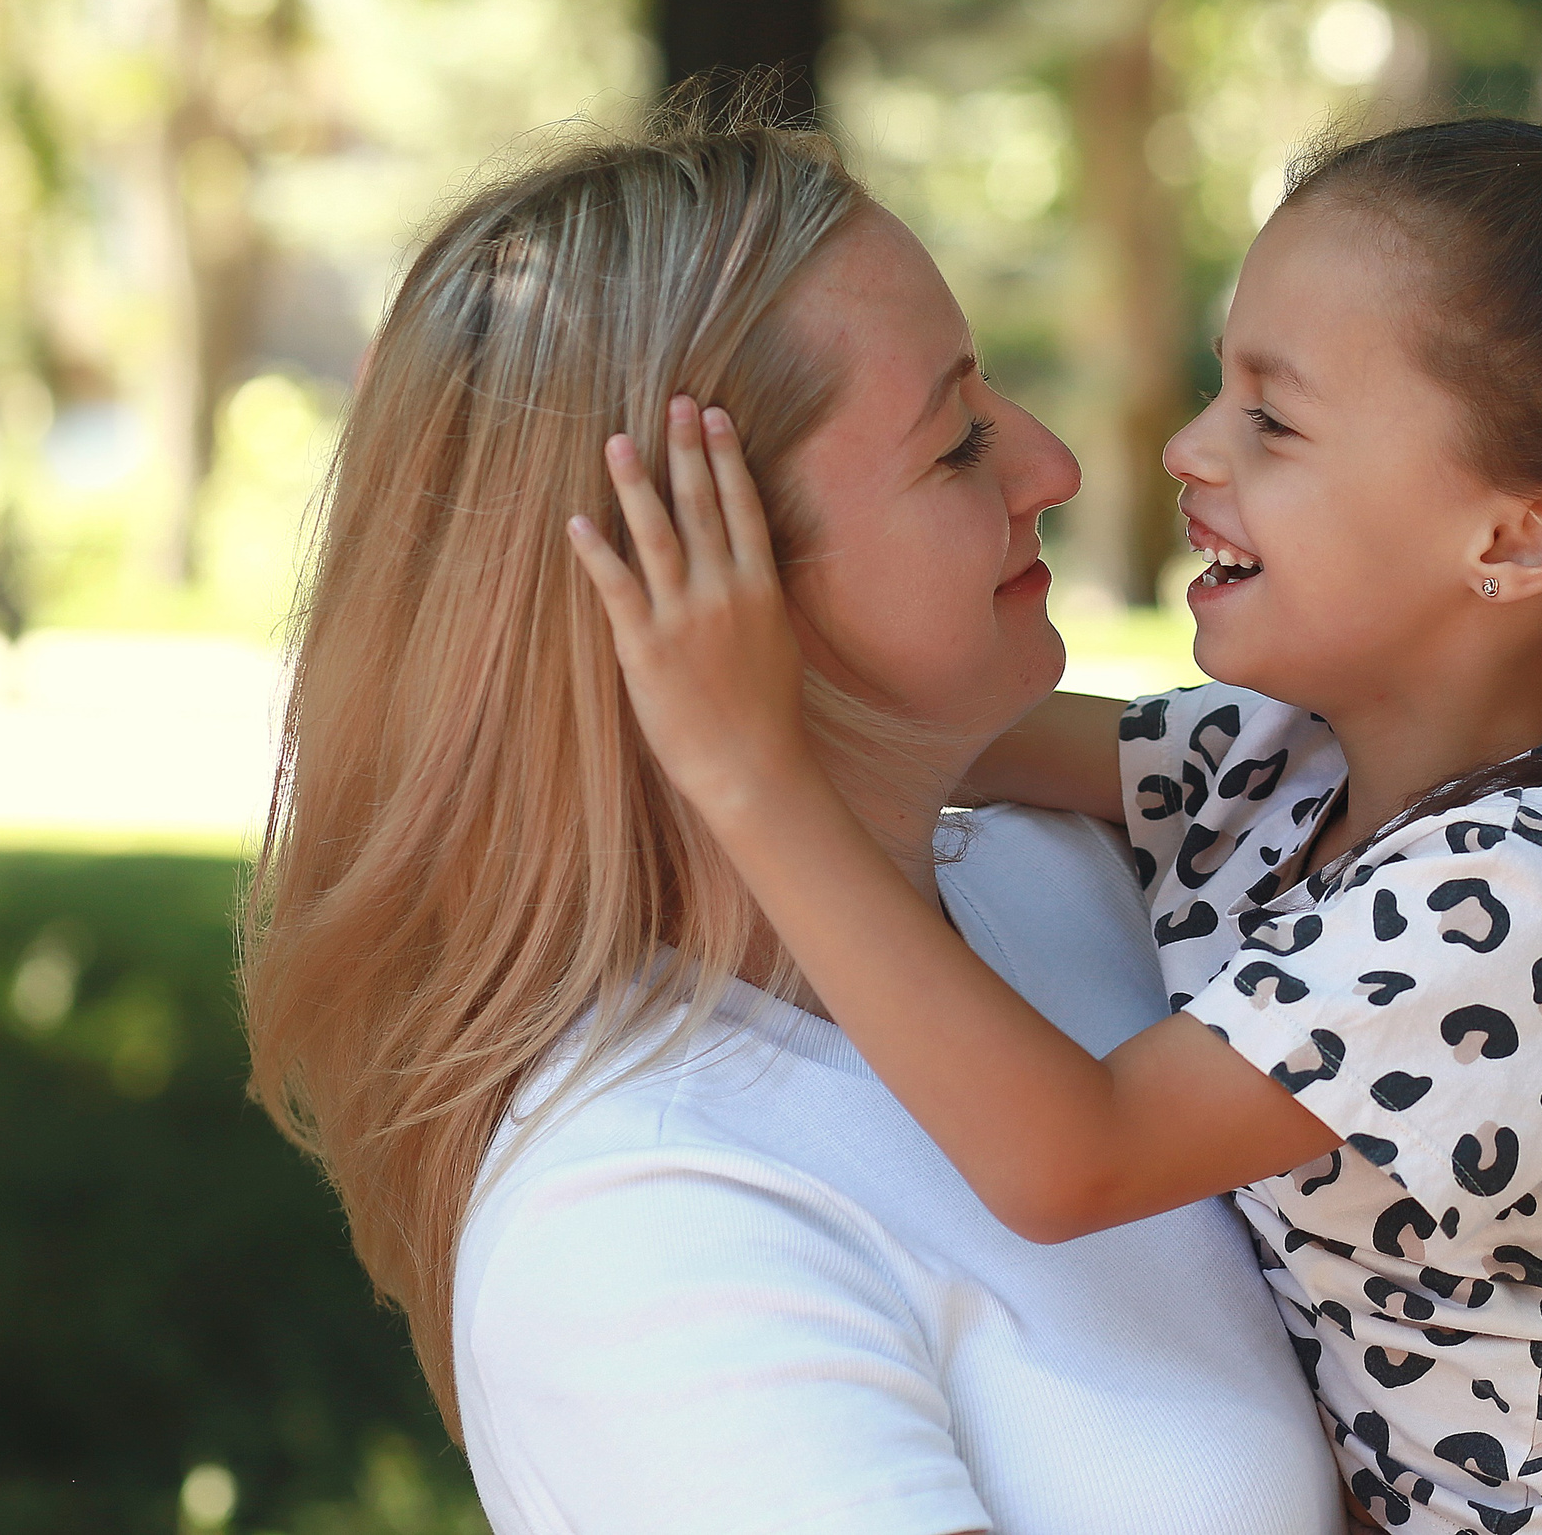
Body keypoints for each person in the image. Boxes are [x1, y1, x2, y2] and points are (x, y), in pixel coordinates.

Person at [568, 77, 1542, 1532]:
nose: (1181, 450)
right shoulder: (1281, 770)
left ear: (1515, 537)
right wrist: (752, 614)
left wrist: (747, 772)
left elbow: (1069, 1153)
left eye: (1272, 424)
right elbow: (929, 721)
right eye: (1222, 387)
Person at [239, 95, 1346, 1535]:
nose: (1053, 468)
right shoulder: (645, 1220)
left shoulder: (1070, 883)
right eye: (956, 446)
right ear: (702, 588)